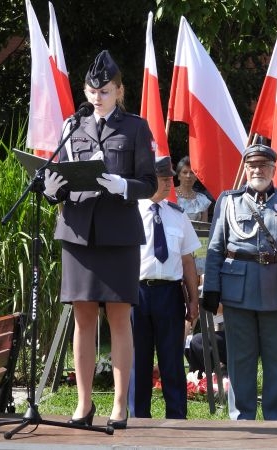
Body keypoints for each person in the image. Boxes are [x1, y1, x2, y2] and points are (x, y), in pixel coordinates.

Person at [42, 50, 157, 428]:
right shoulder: (72, 125)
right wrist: (52, 189)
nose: (97, 97)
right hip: (78, 233)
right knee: (83, 316)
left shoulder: (136, 128)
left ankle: (120, 405)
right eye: (92, 91)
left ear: (119, 90)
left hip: (118, 233)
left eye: (105, 91)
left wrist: (123, 185)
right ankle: (84, 403)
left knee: (119, 317)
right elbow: (58, 175)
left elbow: (150, 183)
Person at [202, 144, 277, 420]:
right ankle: (242, 417)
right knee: (241, 359)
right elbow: (215, 248)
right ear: (246, 169)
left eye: (264, 165)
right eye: (252, 165)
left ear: (274, 170)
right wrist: (212, 287)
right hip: (238, 288)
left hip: (276, 288)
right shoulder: (229, 201)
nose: (258, 170)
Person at [128, 156, 201, 419]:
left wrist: (193, 300)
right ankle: (138, 418)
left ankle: (177, 418)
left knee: (171, 361)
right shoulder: (130, 212)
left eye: (170, 178)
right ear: (149, 180)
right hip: (136, 294)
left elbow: (188, 261)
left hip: (169, 294)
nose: (169, 182)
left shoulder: (177, 216)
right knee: (138, 361)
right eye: (163, 178)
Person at [175, 156, 212, 222]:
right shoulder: (170, 195)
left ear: (196, 177)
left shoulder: (202, 200)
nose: (188, 176)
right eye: (185, 172)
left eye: (192, 173)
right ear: (179, 176)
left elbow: (203, 229)